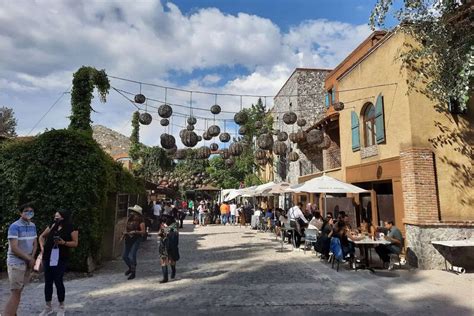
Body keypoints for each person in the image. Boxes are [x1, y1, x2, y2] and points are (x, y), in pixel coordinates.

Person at [38, 210, 79, 316]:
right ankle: (48, 306)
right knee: (48, 281)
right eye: (55, 217)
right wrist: (42, 248)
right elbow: (41, 236)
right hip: (48, 256)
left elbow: (75, 243)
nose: (56, 219)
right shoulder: (52, 225)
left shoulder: (71, 227)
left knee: (58, 281)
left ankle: (61, 306)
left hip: (61, 258)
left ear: (64, 217)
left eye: (58, 217)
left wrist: (63, 242)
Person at [4, 203, 37, 316]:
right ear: (20, 213)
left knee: (18, 292)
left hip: (27, 262)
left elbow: (35, 243)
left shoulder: (33, 225)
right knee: (15, 293)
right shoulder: (14, 226)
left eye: (31, 211)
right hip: (16, 263)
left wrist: (31, 258)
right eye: (26, 211)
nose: (29, 213)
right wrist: (29, 258)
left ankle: (13, 313)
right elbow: (14, 248)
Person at [122, 205, 146, 280]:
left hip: (136, 238)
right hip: (128, 238)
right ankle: (130, 268)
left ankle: (133, 272)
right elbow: (126, 227)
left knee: (132, 255)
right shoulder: (130, 218)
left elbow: (143, 232)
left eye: (134, 212)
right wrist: (124, 234)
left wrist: (135, 231)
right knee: (125, 256)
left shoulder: (141, 220)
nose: (132, 213)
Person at [158, 217, 180, 283]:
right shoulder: (175, 227)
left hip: (164, 245)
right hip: (173, 246)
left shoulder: (164, 227)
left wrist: (163, 228)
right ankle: (173, 271)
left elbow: (159, 234)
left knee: (164, 260)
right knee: (171, 260)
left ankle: (165, 278)